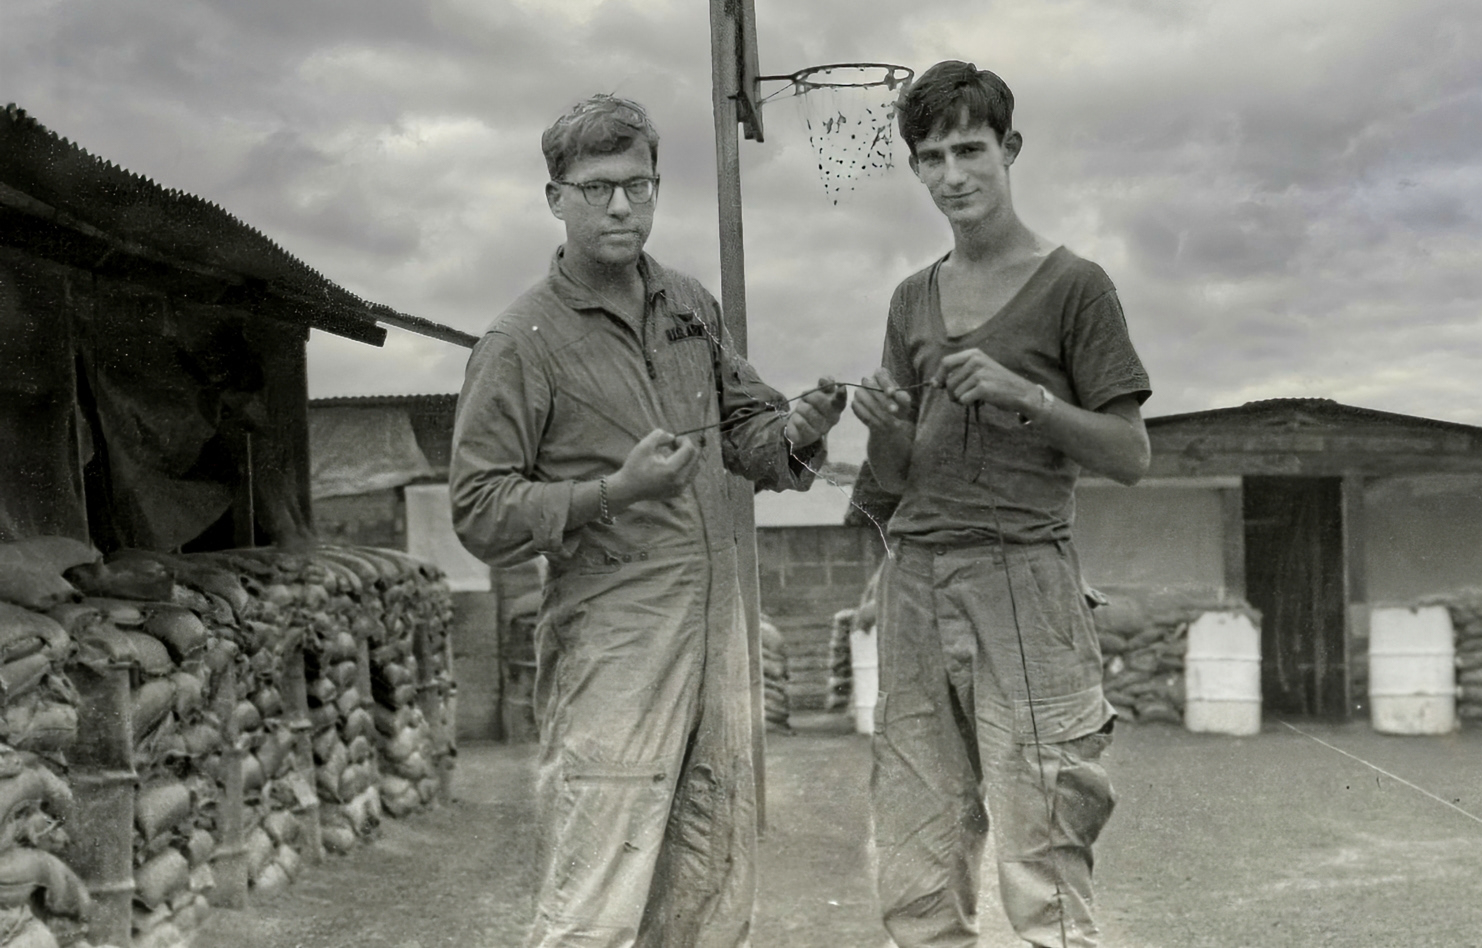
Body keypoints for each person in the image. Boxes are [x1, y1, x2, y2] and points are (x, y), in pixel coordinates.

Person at [450, 94, 846, 948]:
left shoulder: (688, 304)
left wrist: (804, 427)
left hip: (717, 634)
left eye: (638, 185)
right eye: (596, 188)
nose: (622, 206)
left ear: (658, 187)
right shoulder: (520, 340)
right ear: (555, 198)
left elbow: (750, 434)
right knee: (595, 895)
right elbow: (479, 513)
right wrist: (616, 492)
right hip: (615, 643)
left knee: (712, 879)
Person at [850, 61, 1152, 948]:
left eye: (971, 149)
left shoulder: (1075, 286)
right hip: (916, 579)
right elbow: (900, 477)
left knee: (1043, 850)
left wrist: (1030, 398)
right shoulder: (912, 297)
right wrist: (880, 426)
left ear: (1009, 149)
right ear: (915, 169)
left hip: (1023, 576)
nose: (954, 175)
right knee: (916, 851)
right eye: (933, 156)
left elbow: (1132, 454)